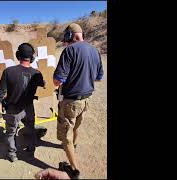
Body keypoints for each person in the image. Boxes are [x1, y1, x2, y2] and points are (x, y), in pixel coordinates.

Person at [53, 23, 104, 177]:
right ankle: (73, 146)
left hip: (70, 101)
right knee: (76, 128)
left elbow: (57, 80)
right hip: (85, 101)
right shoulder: (95, 51)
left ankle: (74, 170)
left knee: (65, 135)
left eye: (66, 37)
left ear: (70, 35)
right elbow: (99, 78)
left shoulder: (69, 50)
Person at [0, 43, 45, 162]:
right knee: (30, 129)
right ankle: (31, 149)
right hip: (28, 109)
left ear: (18, 55)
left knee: (11, 133)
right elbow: (44, 84)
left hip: (13, 110)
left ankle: (12, 154)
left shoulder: (8, 71)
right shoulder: (37, 73)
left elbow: (0, 93)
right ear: (31, 58)